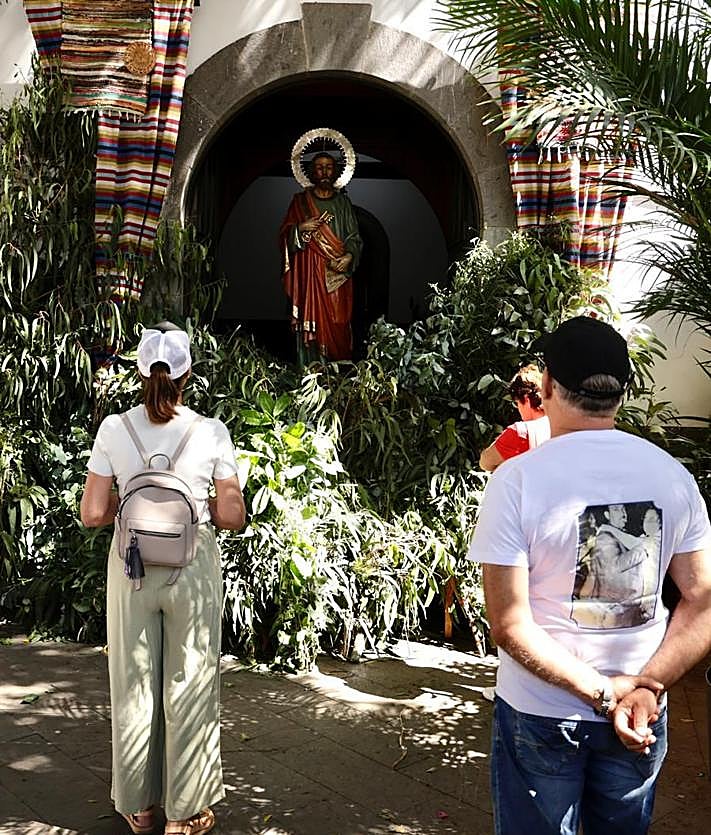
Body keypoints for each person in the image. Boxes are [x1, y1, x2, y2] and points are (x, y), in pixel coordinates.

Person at [467, 316, 711, 835]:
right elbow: (701, 599)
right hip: (642, 708)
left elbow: (509, 624)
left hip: (542, 707)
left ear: (549, 385)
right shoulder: (673, 475)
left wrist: (602, 693)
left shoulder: (516, 481)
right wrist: (646, 688)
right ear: (624, 391)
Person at [80, 325, 245, 835]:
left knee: (133, 686)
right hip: (191, 569)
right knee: (189, 683)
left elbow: (91, 512)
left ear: (139, 370)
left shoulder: (113, 429)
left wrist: (135, 515)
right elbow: (233, 516)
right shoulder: (211, 431)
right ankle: (186, 813)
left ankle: (140, 808)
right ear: (187, 373)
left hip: (129, 569)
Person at [280, 152, 363, 363]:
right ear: (311, 172)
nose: (324, 172)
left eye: (329, 167)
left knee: (338, 322)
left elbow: (354, 237)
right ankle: (309, 373)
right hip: (309, 276)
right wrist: (299, 228)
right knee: (310, 323)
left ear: (335, 171)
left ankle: (337, 374)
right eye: (319, 167)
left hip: (336, 276)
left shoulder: (343, 203)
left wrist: (349, 255)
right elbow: (284, 235)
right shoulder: (299, 202)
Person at [479, 364, 551, 472]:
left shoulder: (521, 432)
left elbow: (485, 463)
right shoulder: (561, 426)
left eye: (517, 403)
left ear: (526, 399)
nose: (518, 409)